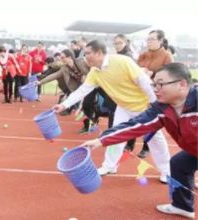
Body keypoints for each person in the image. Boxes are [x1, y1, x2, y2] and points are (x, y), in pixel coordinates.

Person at [82, 63, 197, 219]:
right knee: (178, 164)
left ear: (182, 84)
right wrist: (101, 140)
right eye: (154, 84)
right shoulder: (161, 108)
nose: (155, 88)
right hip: (193, 150)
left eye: (160, 84)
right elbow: (135, 125)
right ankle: (182, 206)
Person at [53, 40, 170, 183]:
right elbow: (82, 90)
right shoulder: (95, 72)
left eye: (88, 53)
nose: (85, 57)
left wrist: (154, 105)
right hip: (123, 108)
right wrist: (64, 105)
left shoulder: (122, 61)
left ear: (99, 53)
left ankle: (166, 171)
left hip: (143, 108)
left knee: (155, 140)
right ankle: (109, 166)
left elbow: (143, 81)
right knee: (116, 135)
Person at [136, 29, 174, 158]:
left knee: (151, 120)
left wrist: (153, 74)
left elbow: (169, 74)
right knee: (135, 118)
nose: (149, 42)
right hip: (141, 92)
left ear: (160, 41)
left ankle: (146, 147)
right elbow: (136, 68)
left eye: (152, 39)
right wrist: (142, 70)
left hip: (157, 92)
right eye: (148, 39)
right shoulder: (143, 54)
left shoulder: (167, 56)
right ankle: (129, 144)